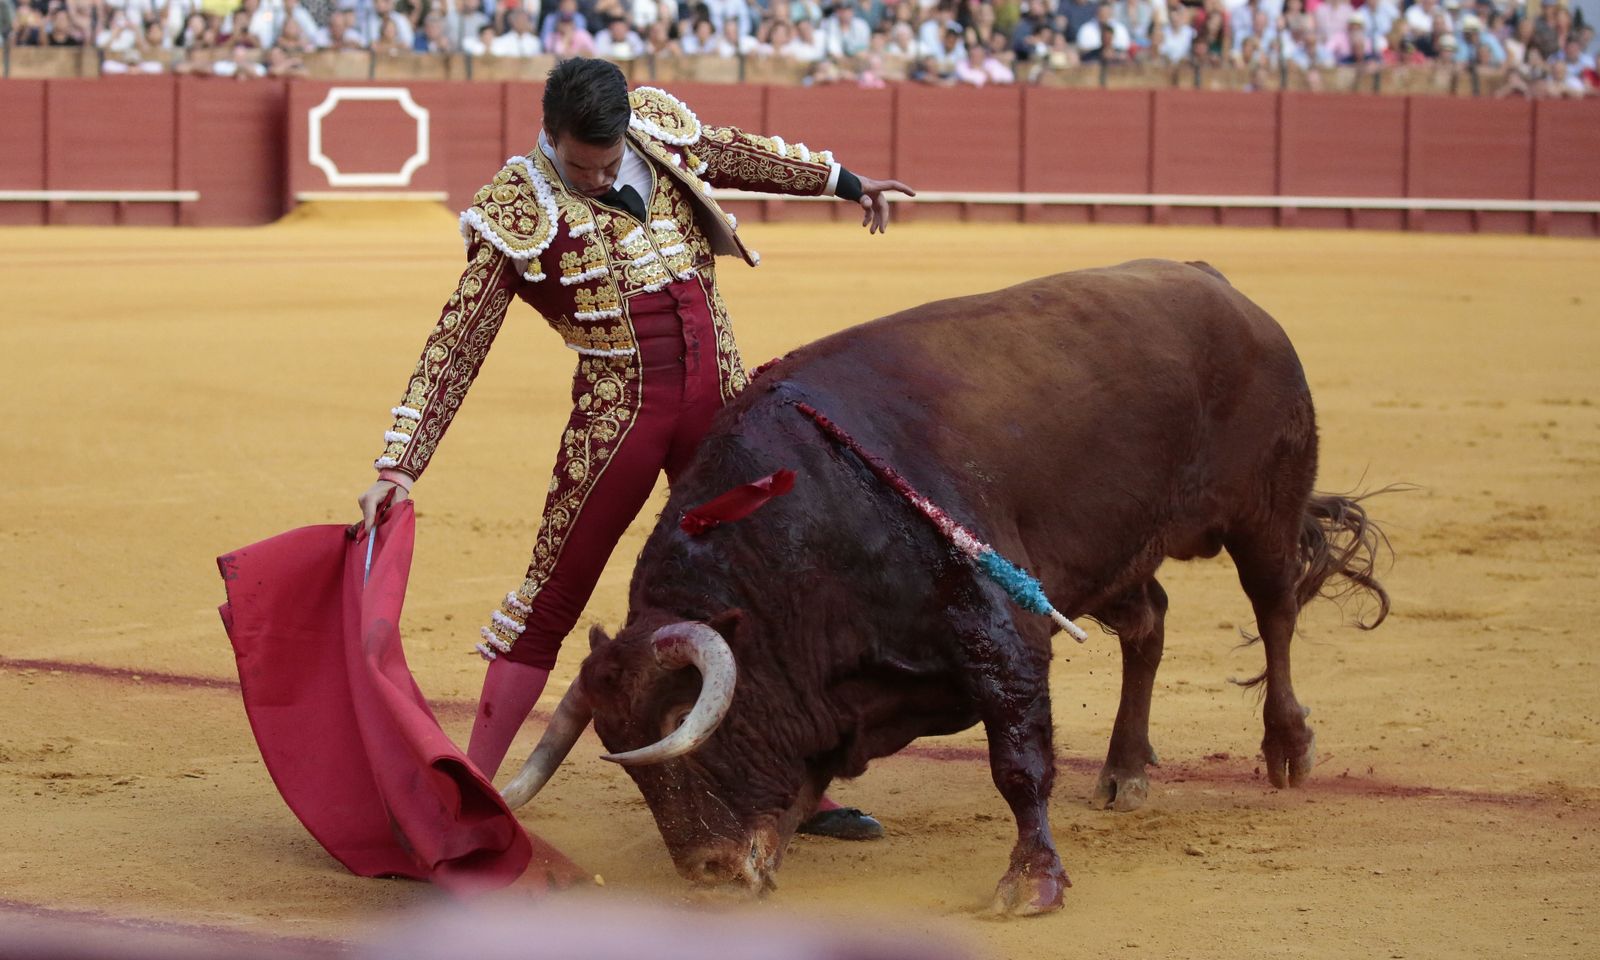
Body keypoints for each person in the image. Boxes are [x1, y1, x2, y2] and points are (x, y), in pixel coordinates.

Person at [356, 59, 914, 840]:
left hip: (721, 411)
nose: (602, 173)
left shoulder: (652, 127)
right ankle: (471, 796)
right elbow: (458, 343)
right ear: (548, 136)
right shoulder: (517, 208)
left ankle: (795, 786)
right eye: (584, 165)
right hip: (619, 419)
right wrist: (398, 463)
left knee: (764, 588)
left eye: (611, 159)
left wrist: (849, 183)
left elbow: (738, 153)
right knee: (551, 597)